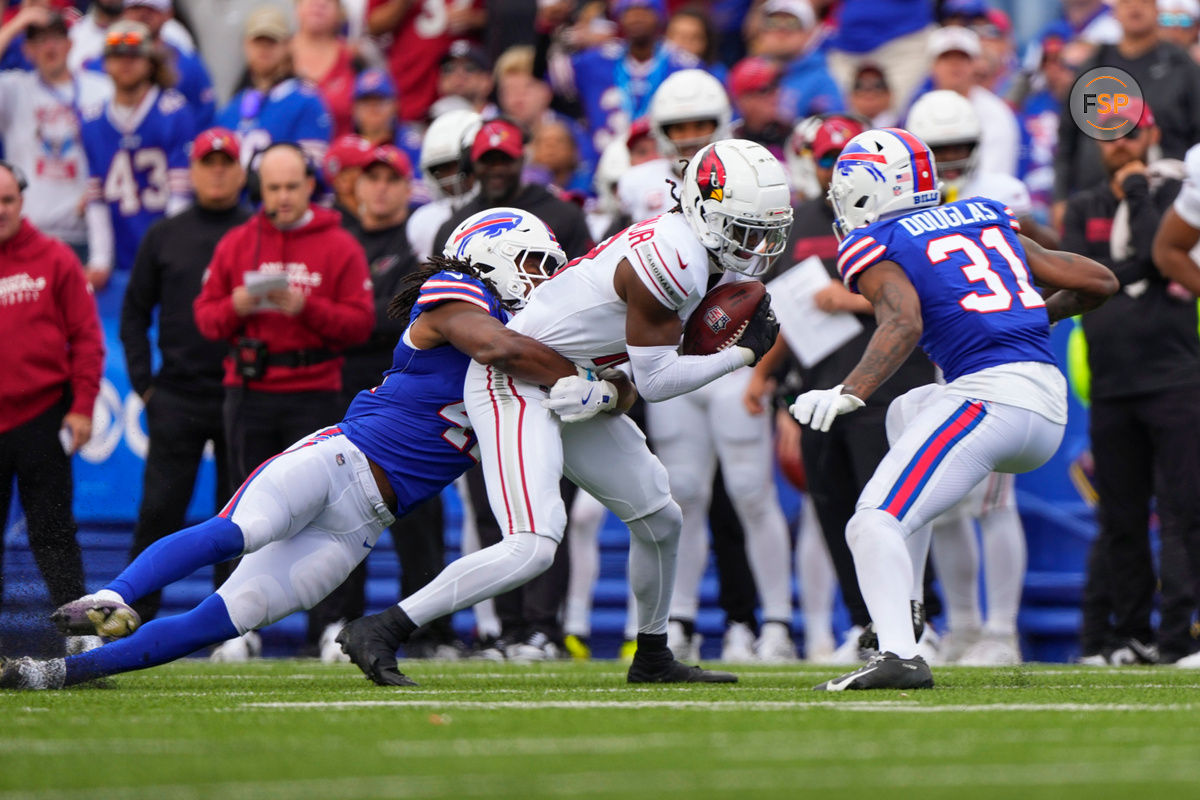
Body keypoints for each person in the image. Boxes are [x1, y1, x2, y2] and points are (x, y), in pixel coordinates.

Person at [0, 209, 603, 690]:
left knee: (223, 618)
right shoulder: (456, 299)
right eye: (532, 262)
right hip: (341, 460)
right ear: (489, 256)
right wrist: (579, 375)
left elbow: (605, 384)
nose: (543, 279)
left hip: (360, 526)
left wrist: (600, 390)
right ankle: (109, 598)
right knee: (238, 529)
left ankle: (53, 674)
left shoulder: (533, 341)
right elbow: (498, 347)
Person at [337, 138, 789, 687]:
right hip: (516, 381)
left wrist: (602, 389)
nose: (756, 244)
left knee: (661, 519)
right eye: (742, 228)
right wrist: (741, 354)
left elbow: (628, 380)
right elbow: (659, 381)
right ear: (702, 208)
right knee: (533, 543)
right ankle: (382, 628)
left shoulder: (698, 253)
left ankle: (652, 655)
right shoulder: (675, 257)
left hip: (572, 380)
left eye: (763, 228)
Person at [790, 127, 1117, 690]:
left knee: (871, 521)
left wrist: (850, 390)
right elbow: (1099, 281)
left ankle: (898, 654)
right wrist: (1033, 317)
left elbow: (903, 321)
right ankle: (910, 608)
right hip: (1043, 400)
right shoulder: (982, 215)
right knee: (909, 412)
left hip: (990, 399)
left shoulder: (878, 241)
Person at [749, 113, 938, 665]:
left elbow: (919, 302)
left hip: (888, 385)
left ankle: (915, 622)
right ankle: (865, 624)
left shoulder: (901, 220)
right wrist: (768, 379)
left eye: (844, 161)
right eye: (828, 160)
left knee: (891, 508)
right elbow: (783, 309)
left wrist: (849, 298)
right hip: (817, 387)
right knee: (834, 509)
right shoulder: (804, 219)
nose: (834, 170)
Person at [192, 142, 375, 660]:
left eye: (292, 186)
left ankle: (331, 624)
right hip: (250, 391)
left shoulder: (339, 244)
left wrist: (306, 307)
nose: (282, 197)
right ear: (259, 189)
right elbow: (205, 320)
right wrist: (238, 304)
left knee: (329, 510)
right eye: (272, 188)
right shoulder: (236, 242)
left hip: (315, 390)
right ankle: (235, 624)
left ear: (310, 184)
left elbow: (360, 324)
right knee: (243, 509)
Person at [1062, 104, 1199, 665]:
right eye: (1109, 135)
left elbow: (1153, 257)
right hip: (1113, 382)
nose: (1120, 144)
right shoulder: (1085, 205)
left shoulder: (1171, 193)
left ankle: (1179, 638)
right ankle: (1130, 636)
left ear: (1153, 135)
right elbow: (1083, 273)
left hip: (1175, 377)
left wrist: (1139, 192)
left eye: (1131, 133)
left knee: (1183, 513)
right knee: (1119, 520)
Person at [118, 128, 250, 623]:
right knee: (159, 511)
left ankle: (234, 624)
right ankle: (131, 616)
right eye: (207, 162)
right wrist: (143, 383)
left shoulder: (255, 233)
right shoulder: (165, 235)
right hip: (176, 393)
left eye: (226, 162)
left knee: (240, 519)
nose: (217, 171)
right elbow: (133, 313)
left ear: (240, 170)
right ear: (191, 172)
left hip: (244, 394)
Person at [0, 161, 105, 656]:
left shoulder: (55, 258)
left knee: (54, 532)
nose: (0, 211)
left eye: (7, 200)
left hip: (42, 415)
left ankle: (79, 635)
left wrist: (82, 407)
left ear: (22, 200)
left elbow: (87, 338)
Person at [79, 20, 193, 290]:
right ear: (105, 63)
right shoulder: (92, 119)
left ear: (150, 61)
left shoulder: (173, 111)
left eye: (133, 55)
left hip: (164, 242)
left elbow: (181, 194)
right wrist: (99, 259)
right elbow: (96, 197)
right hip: (121, 248)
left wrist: (171, 252)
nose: (125, 63)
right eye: (117, 56)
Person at [0, 10, 112, 261]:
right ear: (27, 50)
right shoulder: (14, 88)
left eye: (56, 38)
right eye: (40, 41)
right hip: (30, 232)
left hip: (87, 234)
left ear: (70, 44)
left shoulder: (101, 88)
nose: (49, 47)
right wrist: (18, 23)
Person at [433, 118, 592, 260]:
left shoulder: (565, 215)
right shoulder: (456, 226)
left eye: (505, 160)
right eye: (487, 160)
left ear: (522, 160)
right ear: (472, 164)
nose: (496, 169)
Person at [216, 5, 333, 168]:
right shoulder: (233, 106)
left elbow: (310, 172)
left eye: (271, 41)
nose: (264, 49)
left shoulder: (306, 102)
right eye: (258, 41)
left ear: (287, 45)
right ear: (246, 45)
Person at [366, 0, 485, 123]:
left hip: (465, 84)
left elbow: (501, 16)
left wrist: (476, 18)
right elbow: (372, 25)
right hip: (412, 85)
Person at [112, 0, 215, 129]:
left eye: (152, 9)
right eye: (136, 8)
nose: (143, 14)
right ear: (124, 11)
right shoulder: (103, 59)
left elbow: (204, 119)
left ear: (168, 13)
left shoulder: (189, 65)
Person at [406, 109, 481, 262]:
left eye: (457, 165)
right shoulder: (424, 221)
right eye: (442, 169)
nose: (451, 177)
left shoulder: (503, 207)